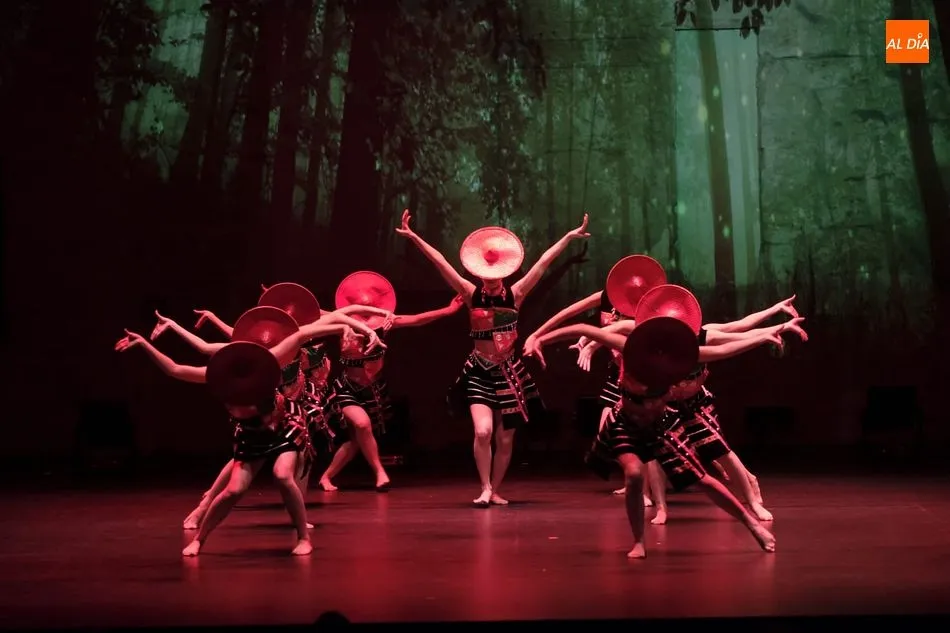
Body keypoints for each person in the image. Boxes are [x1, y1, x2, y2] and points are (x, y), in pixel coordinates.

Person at [524, 303, 807, 558]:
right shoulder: (629, 344)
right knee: (634, 474)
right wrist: (540, 338)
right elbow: (583, 328)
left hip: (660, 424)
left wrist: (766, 335)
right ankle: (639, 541)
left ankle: (752, 525)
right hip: (625, 422)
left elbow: (724, 349)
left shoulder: (680, 357)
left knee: (703, 480)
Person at [115, 315, 370, 556]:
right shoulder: (221, 376)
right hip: (251, 434)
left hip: (284, 425)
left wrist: (347, 328)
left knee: (282, 475)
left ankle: (303, 537)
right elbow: (175, 369)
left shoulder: (269, 359)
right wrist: (144, 345)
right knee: (232, 491)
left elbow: (303, 333)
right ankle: (199, 540)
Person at [397, 210, 590, 506]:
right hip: (478, 370)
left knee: (505, 438)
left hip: (510, 372)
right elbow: (441, 263)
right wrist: (415, 238)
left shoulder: (516, 293)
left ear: (504, 272)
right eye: (485, 277)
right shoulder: (470, 293)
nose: (489, 281)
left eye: (495, 276)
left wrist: (567, 237)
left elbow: (543, 264)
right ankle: (485, 487)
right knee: (483, 430)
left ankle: (495, 488)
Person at [150, 284, 383, 529]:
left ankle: (299, 515)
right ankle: (204, 505)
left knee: (304, 455)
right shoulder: (264, 344)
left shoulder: (299, 333)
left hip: (293, 404)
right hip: (265, 405)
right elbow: (210, 346)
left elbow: (342, 315)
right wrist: (181, 324)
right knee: (239, 460)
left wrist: (368, 328)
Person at [575, 285, 800, 523]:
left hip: (695, 401)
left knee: (720, 450)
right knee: (653, 455)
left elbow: (738, 332)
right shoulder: (649, 331)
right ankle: (661, 509)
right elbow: (612, 329)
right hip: (666, 402)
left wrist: (778, 323)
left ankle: (753, 500)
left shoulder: (701, 336)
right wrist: (588, 343)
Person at [523, 254, 667, 502]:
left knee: (648, 434)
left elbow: (619, 332)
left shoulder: (646, 305)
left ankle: (646, 492)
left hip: (642, 375)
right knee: (608, 430)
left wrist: (591, 343)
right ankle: (634, 482)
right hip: (618, 374)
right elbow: (569, 314)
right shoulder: (606, 297)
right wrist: (535, 336)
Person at [316, 271, 465, 492]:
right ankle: (380, 473)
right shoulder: (341, 323)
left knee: (358, 440)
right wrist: (283, 300)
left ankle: (326, 478)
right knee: (362, 424)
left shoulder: (385, 321)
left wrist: (448, 310)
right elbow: (312, 312)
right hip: (348, 389)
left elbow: (417, 319)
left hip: (373, 389)